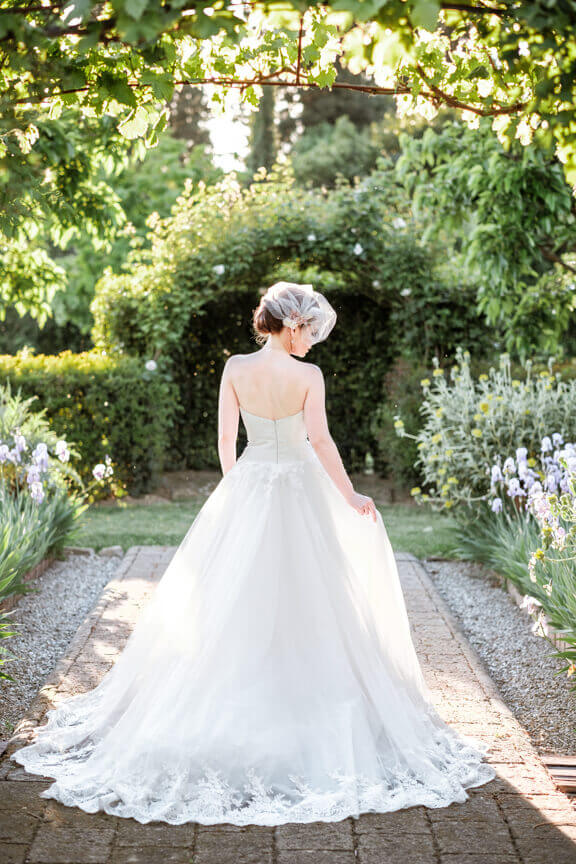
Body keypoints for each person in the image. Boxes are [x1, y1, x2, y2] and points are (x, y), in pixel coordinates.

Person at [10, 281, 496, 826]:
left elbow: (224, 441)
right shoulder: (307, 377)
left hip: (249, 483)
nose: (313, 340)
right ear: (290, 324)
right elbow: (321, 442)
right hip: (302, 488)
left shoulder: (236, 367)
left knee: (235, 597)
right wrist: (351, 494)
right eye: (310, 330)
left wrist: (238, 492)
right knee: (316, 595)